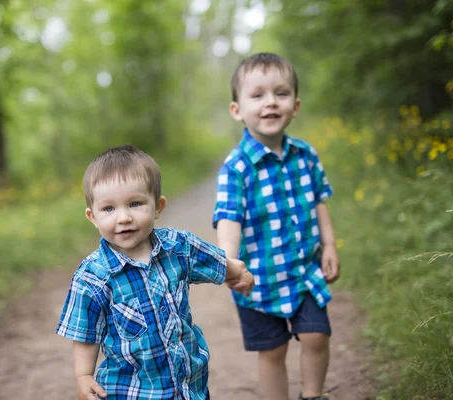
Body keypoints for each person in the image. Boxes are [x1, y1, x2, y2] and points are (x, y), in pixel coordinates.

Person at [57, 144, 255, 400]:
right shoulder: (92, 277)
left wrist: (239, 274)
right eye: (109, 209)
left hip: (188, 384)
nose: (124, 217)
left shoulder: (178, 247)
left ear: (158, 206)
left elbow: (217, 262)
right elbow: (85, 333)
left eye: (135, 203)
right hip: (131, 390)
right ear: (92, 216)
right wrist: (83, 376)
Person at [213, 52, 341, 400]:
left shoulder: (306, 155)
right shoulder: (236, 168)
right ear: (237, 110)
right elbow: (228, 218)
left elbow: (319, 202)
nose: (270, 102)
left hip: (303, 273)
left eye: (280, 93)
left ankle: (313, 395)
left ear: (295, 106)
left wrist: (329, 246)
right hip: (258, 282)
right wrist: (229, 262)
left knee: (317, 335)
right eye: (257, 95)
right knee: (273, 352)